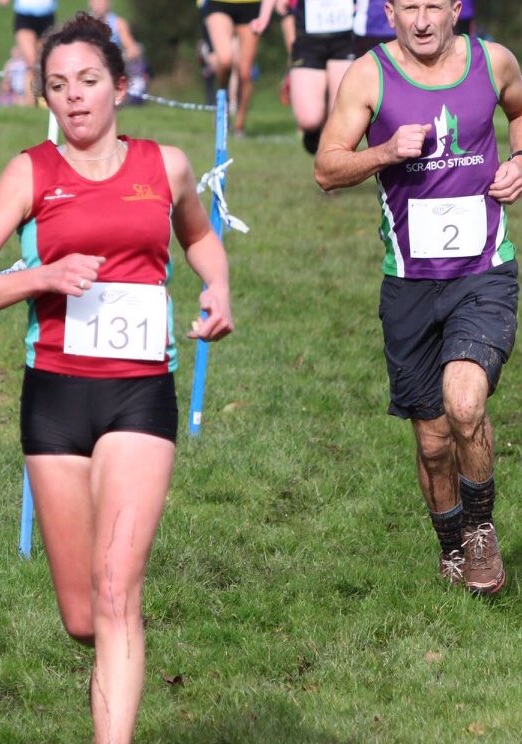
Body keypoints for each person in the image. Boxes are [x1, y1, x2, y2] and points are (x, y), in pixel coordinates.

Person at [0, 12, 234, 744]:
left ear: (119, 85)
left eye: (89, 82)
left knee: (116, 587)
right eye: (59, 85)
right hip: (55, 397)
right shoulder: (29, 173)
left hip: (139, 393)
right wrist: (38, 273)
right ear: (45, 94)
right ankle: (114, 648)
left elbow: (202, 240)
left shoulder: (163, 165)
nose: (75, 98)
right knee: (83, 614)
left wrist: (217, 288)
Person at [314, 0, 522, 595]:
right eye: (410, 7)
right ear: (390, 11)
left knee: (464, 403)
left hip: (484, 272)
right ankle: (451, 544)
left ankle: (481, 534)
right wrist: (384, 152)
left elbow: (519, 109)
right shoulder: (369, 74)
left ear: (457, 7)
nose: (423, 20)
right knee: (433, 443)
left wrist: (519, 161)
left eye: (435, 5)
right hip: (408, 283)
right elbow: (327, 169)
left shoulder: (494, 62)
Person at [252, 0, 355, 153]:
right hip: (307, 37)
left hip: (346, 37)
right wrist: (263, 17)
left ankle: (333, 155)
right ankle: (315, 132)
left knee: (340, 119)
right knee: (308, 119)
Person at [198, 0, 264, 136]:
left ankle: (239, 125)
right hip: (219, 4)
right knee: (225, 59)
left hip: (251, 5)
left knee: (246, 72)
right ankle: (222, 101)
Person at [0, 0, 57, 105]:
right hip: (25, 17)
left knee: (43, 62)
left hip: (47, 17)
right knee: (31, 63)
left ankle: (48, 104)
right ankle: (30, 105)